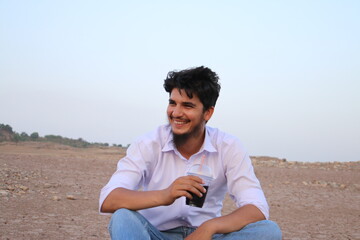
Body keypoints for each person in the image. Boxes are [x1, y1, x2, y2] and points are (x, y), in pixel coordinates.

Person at [99, 66, 282, 240]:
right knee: (122, 218)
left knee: (268, 231)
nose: (176, 113)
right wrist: (166, 195)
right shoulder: (148, 143)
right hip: (155, 234)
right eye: (172, 103)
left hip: (205, 236)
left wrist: (209, 228)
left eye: (187, 106)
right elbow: (109, 199)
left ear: (207, 113)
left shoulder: (228, 146)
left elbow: (257, 207)